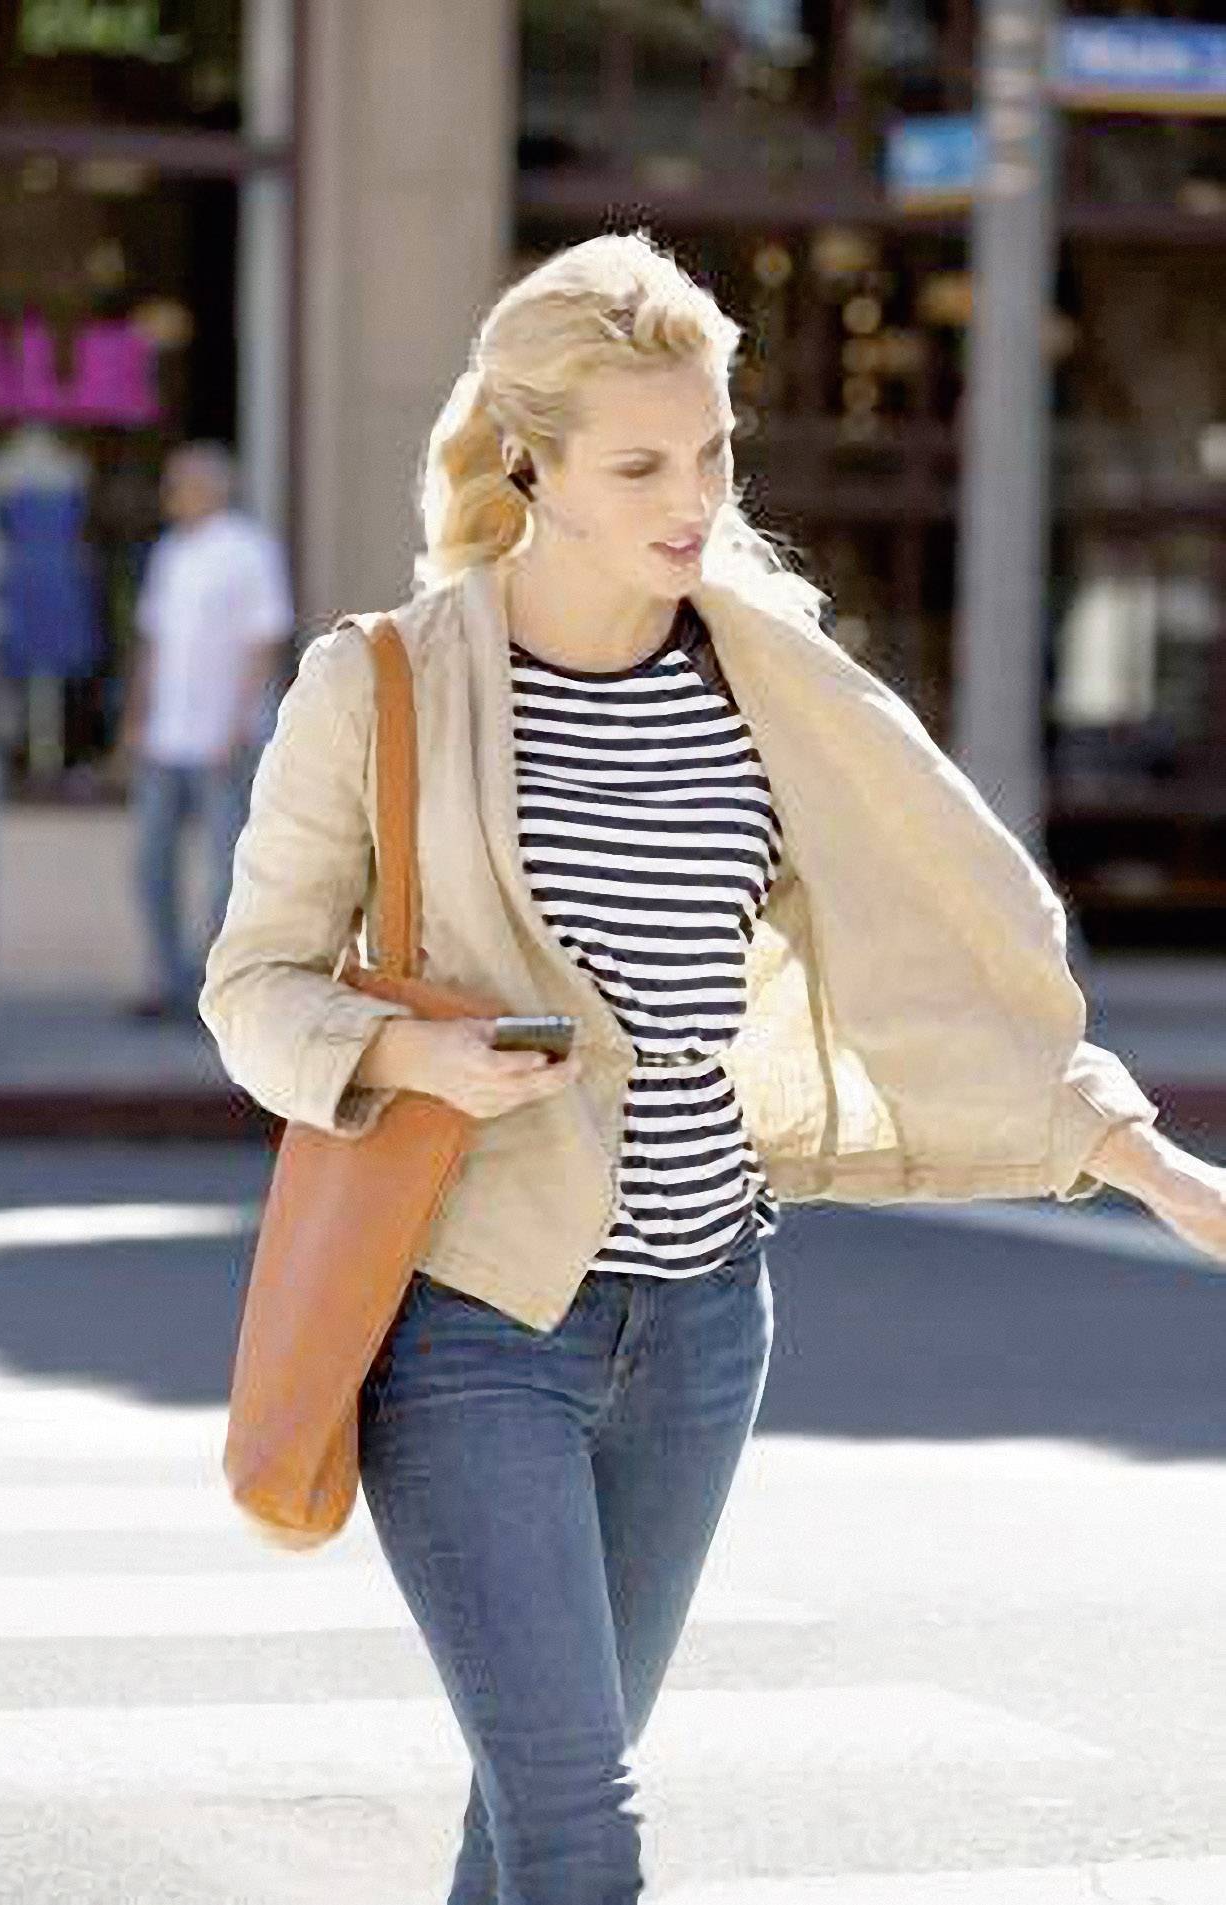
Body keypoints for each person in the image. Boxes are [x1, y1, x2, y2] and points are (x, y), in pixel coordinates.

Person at [199, 233, 1226, 1903]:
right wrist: (411, 1050)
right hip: (477, 1325)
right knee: (584, 1832)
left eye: (713, 452)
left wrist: (1151, 1164)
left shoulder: (765, 677)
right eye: (642, 465)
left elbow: (939, 971)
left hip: (701, 1327)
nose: (694, 497)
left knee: (530, 1822)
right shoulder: (386, 683)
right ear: (532, 464)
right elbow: (249, 990)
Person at [117, 441, 293, 1020]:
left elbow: (264, 641)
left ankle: (216, 991)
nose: (171, 496)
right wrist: (137, 719)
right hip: (166, 739)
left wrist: (238, 723)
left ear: (214, 488)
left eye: (180, 484)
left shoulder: (248, 550)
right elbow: (153, 641)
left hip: (225, 740)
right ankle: (168, 979)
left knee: (227, 866)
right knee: (150, 862)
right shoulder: (170, 552)